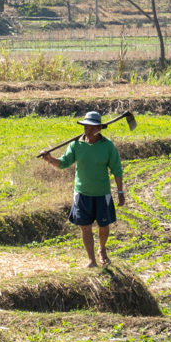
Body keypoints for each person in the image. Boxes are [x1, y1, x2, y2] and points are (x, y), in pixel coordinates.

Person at [39, 110, 125, 268]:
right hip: (82, 194)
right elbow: (64, 162)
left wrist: (120, 192)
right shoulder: (76, 145)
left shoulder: (108, 146)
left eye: (92, 128)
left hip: (102, 193)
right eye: (86, 127)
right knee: (85, 227)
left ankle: (102, 249)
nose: (88, 130)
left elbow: (117, 170)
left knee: (103, 226)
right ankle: (91, 260)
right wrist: (50, 159)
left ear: (99, 128)